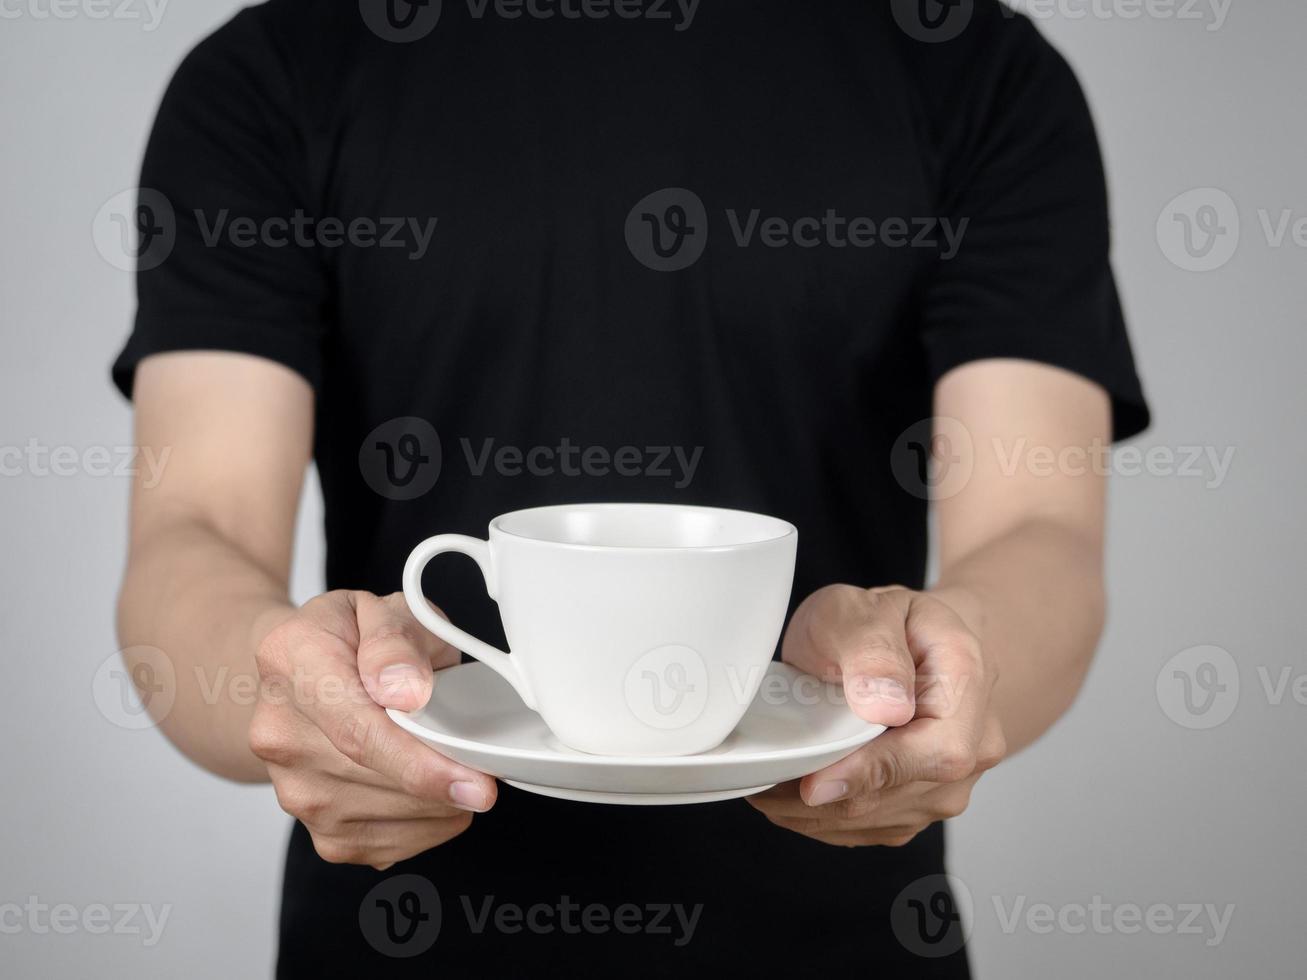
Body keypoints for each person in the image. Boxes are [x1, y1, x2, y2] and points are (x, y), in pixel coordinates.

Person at [111, 0, 1148, 975]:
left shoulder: (973, 66)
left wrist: (951, 656)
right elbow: (195, 528)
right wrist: (287, 685)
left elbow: (1035, 527)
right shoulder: (276, 68)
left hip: (845, 937)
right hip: (392, 932)